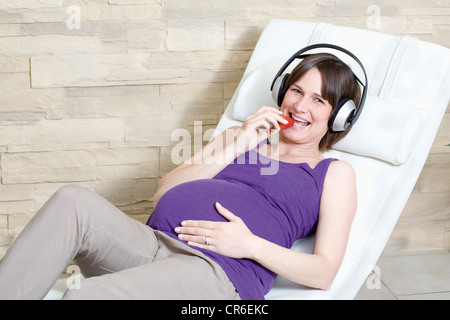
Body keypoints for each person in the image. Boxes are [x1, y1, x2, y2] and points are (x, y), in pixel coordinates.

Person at [0, 53, 358, 300]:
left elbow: (324, 271)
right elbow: (165, 192)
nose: (299, 106)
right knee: (72, 201)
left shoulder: (332, 173)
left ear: (339, 117)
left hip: (217, 273)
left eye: (318, 101)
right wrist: (239, 143)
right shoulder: (239, 137)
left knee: (85, 295)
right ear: (283, 92)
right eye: (296, 91)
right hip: (153, 244)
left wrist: (249, 245)